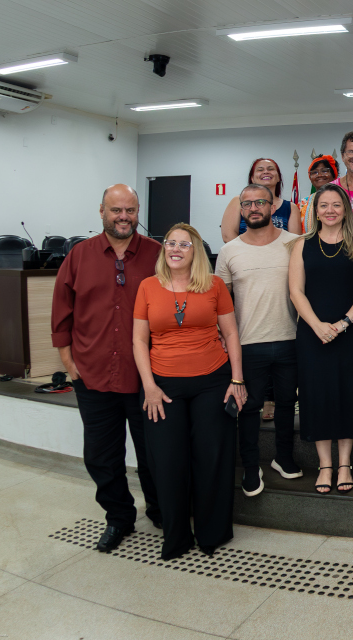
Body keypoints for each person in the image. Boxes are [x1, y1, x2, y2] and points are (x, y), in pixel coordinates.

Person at [51, 184, 162, 553]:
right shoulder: (79, 256)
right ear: (101, 211)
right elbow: (61, 314)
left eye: (130, 210)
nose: (124, 217)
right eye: (116, 210)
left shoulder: (158, 254)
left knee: (153, 454)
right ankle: (119, 519)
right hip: (93, 376)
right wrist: (69, 364)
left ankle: (160, 511)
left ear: (138, 211)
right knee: (101, 456)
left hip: (146, 379)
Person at [131, 223, 245, 560]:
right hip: (162, 387)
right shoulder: (148, 287)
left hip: (212, 380)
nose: (175, 249)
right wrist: (149, 387)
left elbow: (232, 334)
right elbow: (139, 339)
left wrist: (237, 380)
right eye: (170, 243)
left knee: (212, 459)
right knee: (167, 462)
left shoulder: (213, 285)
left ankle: (212, 534)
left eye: (184, 244)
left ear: (195, 251)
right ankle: (176, 537)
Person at [215, 184, 303, 498]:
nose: (254, 208)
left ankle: (283, 456)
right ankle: (251, 467)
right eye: (248, 203)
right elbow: (220, 302)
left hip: (290, 338)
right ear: (241, 209)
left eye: (260, 202)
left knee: (285, 404)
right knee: (249, 407)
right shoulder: (229, 251)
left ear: (271, 206)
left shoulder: (295, 243)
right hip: (247, 343)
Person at [288, 184, 353, 494]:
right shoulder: (302, 244)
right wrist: (317, 326)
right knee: (317, 396)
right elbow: (296, 291)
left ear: (345, 209)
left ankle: (344, 464)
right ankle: (325, 464)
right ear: (315, 210)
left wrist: (342, 323)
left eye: (336, 205)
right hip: (313, 334)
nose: (330, 210)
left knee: (349, 394)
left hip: (350, 331)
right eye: (323, 205)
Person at [221, 158, 299, 242]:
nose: (265, 172)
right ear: (252, 179)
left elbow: (295, 242)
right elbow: (227, 236)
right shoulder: (238, 201)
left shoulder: (291, 207)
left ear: (278, 178)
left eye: (271, 169)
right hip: (244, 254)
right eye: (260, 169)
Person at [298, 154, 339, 231]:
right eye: (314, 172)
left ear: (334, 175)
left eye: (324, 171)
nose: (319, 175)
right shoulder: (303, 204)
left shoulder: (345, 199)